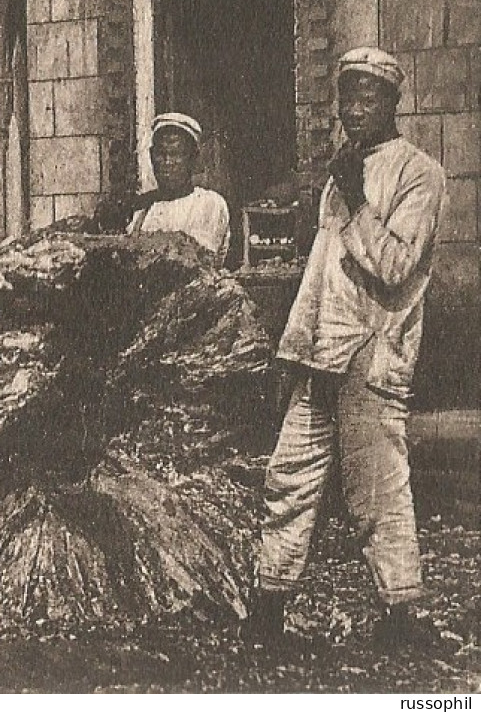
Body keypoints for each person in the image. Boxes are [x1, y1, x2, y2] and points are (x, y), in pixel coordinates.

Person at [243, 48, 447, 650]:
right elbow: (321, 272)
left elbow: (395, 266)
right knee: (289, 478)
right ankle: (268, 607)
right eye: (347, 97)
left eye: (368, 97)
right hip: (320, 353)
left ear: (392, 103)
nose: (355, 109)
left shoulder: (419, 173)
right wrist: (293, 347)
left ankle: (402, 613)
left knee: (378, 488)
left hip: (372, 351)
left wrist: (357, 199)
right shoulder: (343, 175)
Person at [126, 112, 231, 264]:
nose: (167, 162)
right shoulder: (142, 206)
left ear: (193, 159)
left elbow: (196, 260)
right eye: (161, 154)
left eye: (176, 154)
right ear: (151, 156)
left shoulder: (209, 204)